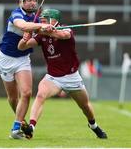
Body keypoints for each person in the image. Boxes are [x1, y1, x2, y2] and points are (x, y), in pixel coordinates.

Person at [18, 9, 108, 139]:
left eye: (45, 20)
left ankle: (93, 125)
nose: (41, 22)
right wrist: (26, 36)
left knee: (85, 106)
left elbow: (62, 35)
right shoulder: (41, 35)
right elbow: (22, 47)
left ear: (54, 20)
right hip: (53, 78)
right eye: (41, 20)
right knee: (40, 95)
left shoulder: (67, 30)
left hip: (72, 77)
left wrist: (45, 30)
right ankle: (31, 127)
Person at [0, 0, 53, 139]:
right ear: (20, 2)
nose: (32, 2)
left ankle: (15, 129)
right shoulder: (16, 14)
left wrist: (50, 28)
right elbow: (23, 26)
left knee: (27, 93)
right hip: (6, 58)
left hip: (23, 59)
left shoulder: (38, 18)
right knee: (13, 98)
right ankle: (21, 122)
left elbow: (46, 30)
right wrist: (40, 27)